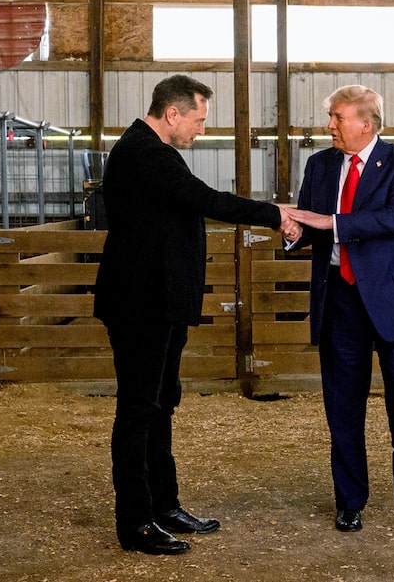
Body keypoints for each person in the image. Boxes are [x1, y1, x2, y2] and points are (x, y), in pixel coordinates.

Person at [93, 75, 297, 555]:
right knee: (139, 409)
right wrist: (274, 213)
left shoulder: (153, 151)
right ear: (173, 114)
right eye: (199, 120)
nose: (201, 130)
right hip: (141, 303)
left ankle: (164, 505)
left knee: (161, 403)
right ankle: (136, 521)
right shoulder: (146, 153)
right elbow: (207, 200)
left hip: (160, 300)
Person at [284, 85, 394, 534]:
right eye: (330, 117)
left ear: (365, 124)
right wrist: (294, 231)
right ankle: (350, 500)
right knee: (343, 406)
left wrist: (330, 223)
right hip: (340, 300)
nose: (329, 124)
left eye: (336, 117)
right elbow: (310, 224)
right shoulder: (320, 164)